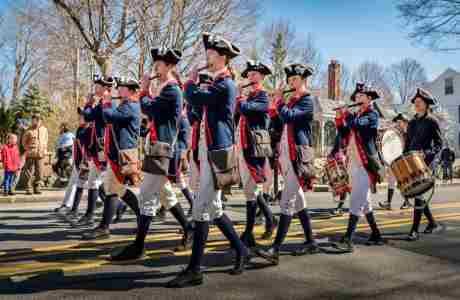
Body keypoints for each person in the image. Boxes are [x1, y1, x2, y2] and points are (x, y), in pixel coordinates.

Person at [167, 32, 250, 287]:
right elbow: (197, 110)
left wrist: (190, 82)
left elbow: (197, 98)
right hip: (206, 149)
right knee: (213, 209)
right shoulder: (215, 83)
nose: (207, 57)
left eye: (211, 54)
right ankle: (242, 250)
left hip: (217, 152)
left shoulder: (225, 84)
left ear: (223, 57)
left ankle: (195, 270)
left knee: (201, 208)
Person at [111, 47, 192, 261]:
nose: (155, 67)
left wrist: (145, 89)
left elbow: (149, 108)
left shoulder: (172, 90)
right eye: (156, 63)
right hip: (157, 149)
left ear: (169, 66)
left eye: (159, 64)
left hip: (163, 152)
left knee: (146, 195)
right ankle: (189, 228)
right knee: (165, 194)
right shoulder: (166, 88)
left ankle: (138, 247)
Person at [255, 63, 319, 265]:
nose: (291, 83)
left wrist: (280, 101)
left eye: (295, 80)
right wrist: (275, 105)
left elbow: (290, 117)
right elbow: (278, 122)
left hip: (298, 156)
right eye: (289, 80)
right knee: (298, 201)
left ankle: (275, 249)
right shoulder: (291, 102)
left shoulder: (308, 100)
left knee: (287, 202)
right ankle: (310, 241)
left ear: (303, 81)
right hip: (286, 155)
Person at [82, 77, 141, 240]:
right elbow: (88, 116)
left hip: (122, 153)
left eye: (121, 88)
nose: (118, 90)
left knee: (111, 189)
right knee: (113, 189)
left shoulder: (131, 105)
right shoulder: (124, 104)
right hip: (114, 152)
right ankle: (109, 225)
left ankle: (105, 227)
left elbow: (109, 116)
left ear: (130, 90)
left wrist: (107, 102)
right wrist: (90, 103)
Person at [333, 83, 385, 253]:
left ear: (369, 99)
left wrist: (346, 113)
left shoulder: (372, 115)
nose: (356, 98)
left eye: (360, 96)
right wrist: (340, 118)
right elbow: (345, 134)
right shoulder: (357, 115)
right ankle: (376, 234)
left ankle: (348, 238)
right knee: (365, 202)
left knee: (356, 200)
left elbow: (357, 125)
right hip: (353, 163)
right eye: (356, 97)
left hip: (366, 164)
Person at [236, 60, 276, 250]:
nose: (250, 78)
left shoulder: (262, 96)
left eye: (254, 75)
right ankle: (269, 218)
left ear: (261, 76)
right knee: (250, 190)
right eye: (249, 75)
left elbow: (246, 109)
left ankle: (248, 232)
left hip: (254, 148)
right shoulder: (249, 96)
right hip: (243, 147)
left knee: (251, 191)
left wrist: (240, 98)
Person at [405, 88, 443, 241]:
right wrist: (404, 158)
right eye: (415, 102)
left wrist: (427, 153)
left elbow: (439, 144)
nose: (416, 104)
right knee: (417, 193)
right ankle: (432, 223)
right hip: (411, 162)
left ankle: (414, 230)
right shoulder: (412, 122)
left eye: (419, 102)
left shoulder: (432, 121)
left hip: (425, 162)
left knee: (418, 193)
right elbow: (408, 143)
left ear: (426, 105)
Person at [378, 113, 412, 210]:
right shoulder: (395, 133)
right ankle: (389, 203)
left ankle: (407, 202)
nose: (398, 123)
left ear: (404, 122)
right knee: (392, 182)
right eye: (397, 122)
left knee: (401, 182)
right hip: (393, 161)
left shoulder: (406, 133)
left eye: (400, 122)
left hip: (402, 160)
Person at [22, 114, 48, 195]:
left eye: (39, 119)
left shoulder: (44, 130)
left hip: (40, 154)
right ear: (32, 120)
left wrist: (44, 149)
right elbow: (23, 141)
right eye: (35, 119)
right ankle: (29, 187)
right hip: (31, 154)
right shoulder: (28, 130)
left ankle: (37, 187)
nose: (37, 121)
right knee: (29, 171)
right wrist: (28, 149)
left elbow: (46, 140)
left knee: (39, 171)